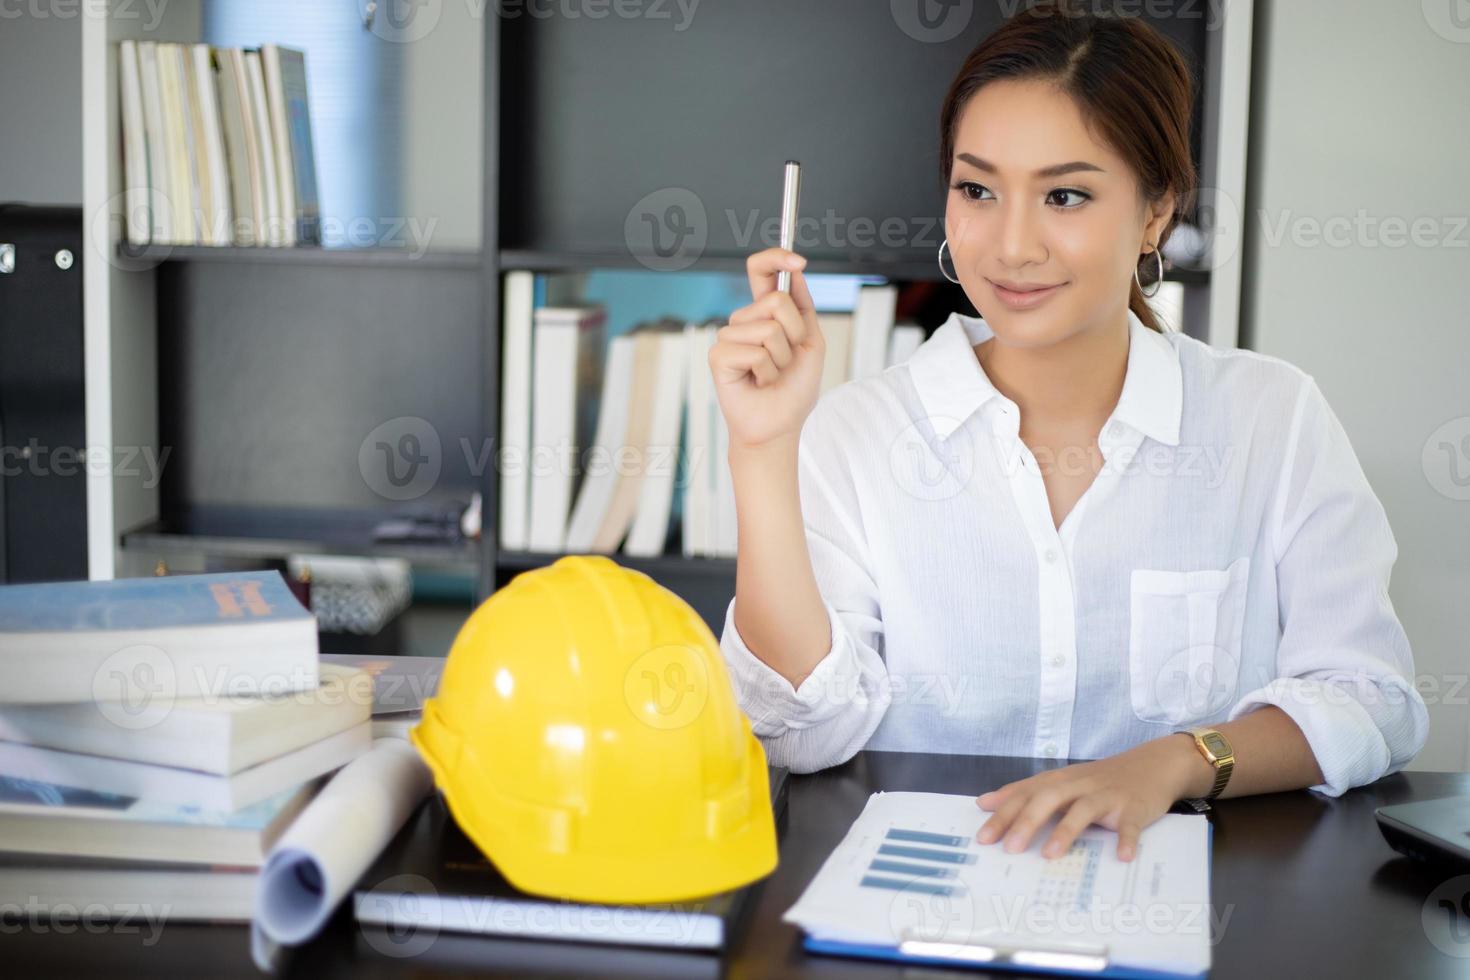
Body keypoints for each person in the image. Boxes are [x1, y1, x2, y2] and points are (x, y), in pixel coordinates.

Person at [708, 0, 1428, 863]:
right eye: (977, 189)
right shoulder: (859, 433)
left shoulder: (1270, 419)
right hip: (921, 901)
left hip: (1194, 899)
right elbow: (802, 732)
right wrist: (761, 447)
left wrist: (1173, 763)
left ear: (1157, 211)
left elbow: (1372, 700)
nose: (1011, 246)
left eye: (1065, 195)